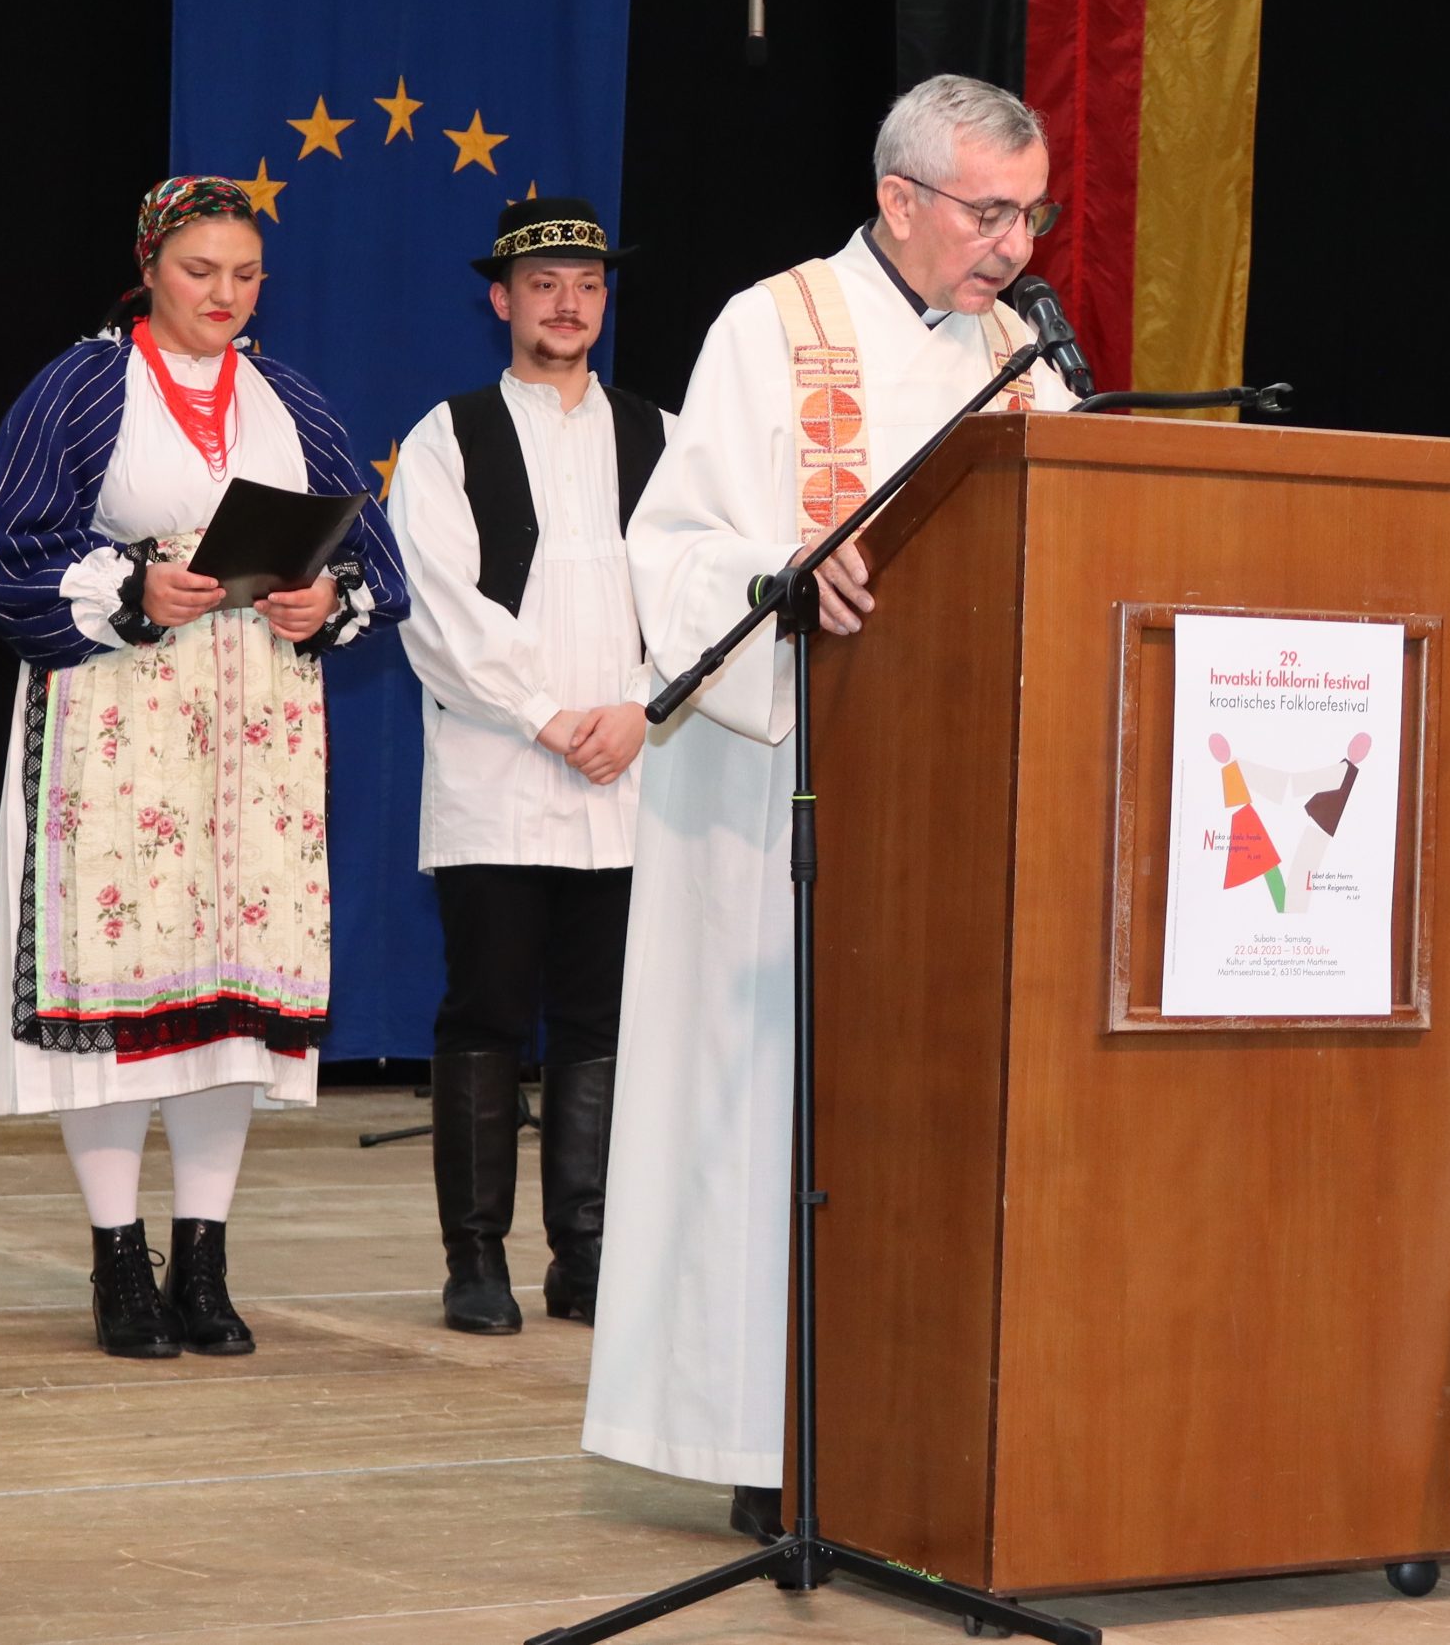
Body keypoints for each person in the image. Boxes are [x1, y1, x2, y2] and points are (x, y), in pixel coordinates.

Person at [584, 76, 1076, 1534]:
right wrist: (779, 578)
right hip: (774, 795)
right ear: (898, 198)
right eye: (991, 213)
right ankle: (773, 1433)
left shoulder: (1021, 357)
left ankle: (914, 1422)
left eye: (1032, 215)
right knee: (774, 1118)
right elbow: (671, 549)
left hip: (958, 802)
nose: (1015, 245)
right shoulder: (776, 325)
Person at [0, 175, 407, 1359]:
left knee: (230, 994)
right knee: (125, 977)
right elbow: (6, 551)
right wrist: (134, 588)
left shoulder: (288, 397)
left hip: (255, 729)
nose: (225, 293)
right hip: (121, 715)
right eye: (201, 270)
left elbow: (374, 558)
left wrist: (323, 601)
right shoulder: (82, 385)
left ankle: (203, 1260)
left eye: (246, 274)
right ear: (150, 268)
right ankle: (120, 1260)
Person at [386, 199, 667, 1336]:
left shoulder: (664, 436)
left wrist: (643, 707)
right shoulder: (448, 437)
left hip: (629, 775)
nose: (568, 303)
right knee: (489, 1012)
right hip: (500, 773)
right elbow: (437, 608)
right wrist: (549, 717)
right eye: (544, 283)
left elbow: (699, 597)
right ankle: (476, 1260)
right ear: (502, 300)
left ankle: (585, 1257)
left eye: (587, 284)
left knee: (600, 1021)